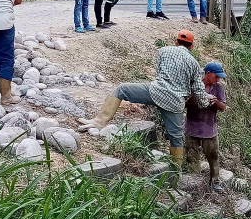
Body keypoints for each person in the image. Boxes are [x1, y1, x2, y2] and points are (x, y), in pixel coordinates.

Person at [79, 30, 210, 164]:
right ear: (192, 46)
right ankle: (176, 170)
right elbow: (198, 90)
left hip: (155, 92)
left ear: (176, 42)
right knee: (176, 137)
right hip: (174, 102)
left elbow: (159, 72)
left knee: (121, 89)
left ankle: (99, 121)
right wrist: (206, 102)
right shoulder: (194, 63)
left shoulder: (163, 50)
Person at [185, 62, 229, 192]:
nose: (218, 79)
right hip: (192, 128)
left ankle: (215, 181)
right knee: (191, 157)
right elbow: (184, 102)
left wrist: (216, 102)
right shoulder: (195, 85)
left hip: (209, 130)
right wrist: (197, 99)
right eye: (216, 76)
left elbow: (223, 107)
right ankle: (193, 183)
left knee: (213, 157)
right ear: (208, 73)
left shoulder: (219, 88)